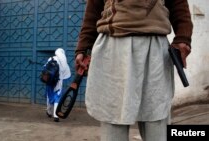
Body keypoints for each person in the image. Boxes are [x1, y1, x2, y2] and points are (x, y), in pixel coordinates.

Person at [75, 0, 192, 141]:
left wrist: (183, 38)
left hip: (154, 48)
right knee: (113, 116)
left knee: (156, 118)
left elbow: (179, 6)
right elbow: (93, 11)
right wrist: (83, 46)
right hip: (113, 48)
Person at [45, 48, 71, 122]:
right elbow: (66, 73)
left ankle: (49, 112)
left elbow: (45, 69)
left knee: (49, 95)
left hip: (49, 81)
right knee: (57, 97)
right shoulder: (63, 61)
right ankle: (56, 116)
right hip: (58, 82)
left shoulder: (51, 58)